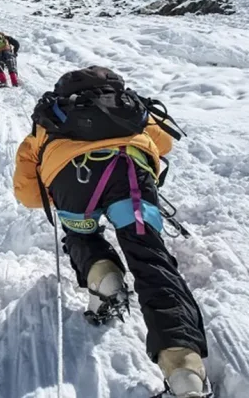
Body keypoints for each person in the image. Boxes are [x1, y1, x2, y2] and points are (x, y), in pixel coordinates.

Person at [13, 66, 211, 398]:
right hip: (129, 172)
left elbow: (28, 195)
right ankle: (184, 372)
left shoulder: (49, 118)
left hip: (72, 182)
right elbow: (163, 144)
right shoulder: (129, 106)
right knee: (149, 256)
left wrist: (57, 191)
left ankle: (102, 277)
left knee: (82, 236)